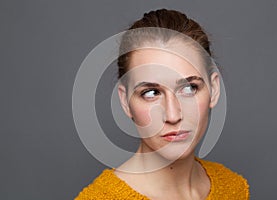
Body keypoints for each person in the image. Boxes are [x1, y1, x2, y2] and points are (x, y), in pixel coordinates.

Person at [75, 8, 249, 200]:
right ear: (125, 101)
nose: (173, 115)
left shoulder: (233, 189)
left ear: (214, 89)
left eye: (189, 88)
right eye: (151, 93)